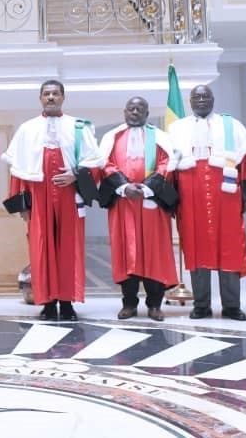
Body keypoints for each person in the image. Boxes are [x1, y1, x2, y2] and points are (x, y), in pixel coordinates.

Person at [2, 80, 100, 321]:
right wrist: (23, 205)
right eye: (47, 94)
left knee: (69, 248)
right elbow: (18, 170)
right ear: (40, 98)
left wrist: (75, 175)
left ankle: (66, 303)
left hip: (69, 194)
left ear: (63, 97)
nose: (51, 97)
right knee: (41, 249)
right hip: (38, 195)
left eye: (56, 93)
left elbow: (95, 164)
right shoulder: (27, 129)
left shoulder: (79, 127)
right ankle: (47, 303)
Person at [168, 84, 246, 321]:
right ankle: (201, 305)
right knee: (196, 249)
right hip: (190, 194)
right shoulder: (177, 128)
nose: (201, 100)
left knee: (230, 248)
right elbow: (169, 165)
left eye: (205, 96)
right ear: (190, 101)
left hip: (226, 193)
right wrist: (172, 200)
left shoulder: (231, 124)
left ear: (213, 99)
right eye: (196, 97)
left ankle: (232, 306)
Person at [97, 96, 179, 322]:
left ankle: (154, 305)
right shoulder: (112, 137)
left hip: (152, 203)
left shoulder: (159, 137)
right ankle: (129, 304)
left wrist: (146, 187)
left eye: (139, 109)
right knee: (126, 253)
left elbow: (166, 163)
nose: (135, 112)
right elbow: (105, 164)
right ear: (124, 112)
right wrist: (124, 187)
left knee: (155, 253)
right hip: (123, 203)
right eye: (131, 108)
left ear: (146, 113)